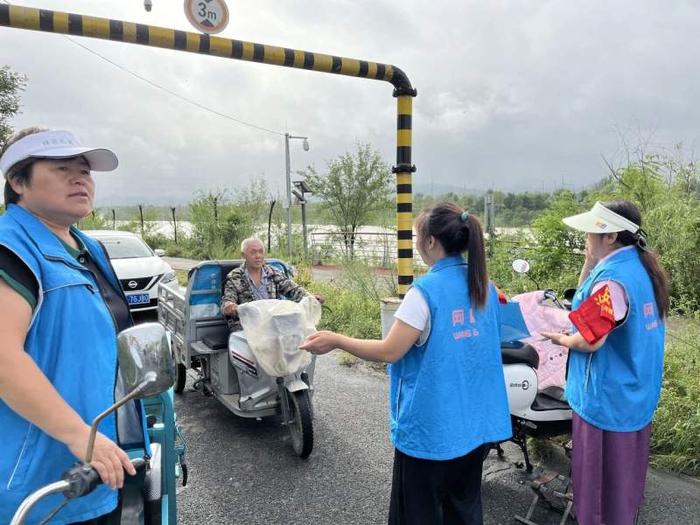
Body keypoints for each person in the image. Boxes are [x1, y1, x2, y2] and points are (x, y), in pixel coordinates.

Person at [300, 202, 512, 525]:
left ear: (430, 242)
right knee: (464, 510)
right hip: (475, 428)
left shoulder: (424, 292)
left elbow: (389, 351)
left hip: (432, 431)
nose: (415, 243)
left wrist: (337, 339)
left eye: (417, 236)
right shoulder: (485, 287)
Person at [0, 127, 148, 524]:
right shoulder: (11, 248)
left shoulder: (87, 248)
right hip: (42, 481)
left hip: (101, 463)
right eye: (62, 168)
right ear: (17, 181)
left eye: (85, 170)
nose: (80, 178)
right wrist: (78, 436)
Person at [541, 200, 669, 525]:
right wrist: (588, 260)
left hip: (607, 405)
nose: (585, 236)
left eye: (590, 231)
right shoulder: (637, 267)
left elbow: (590, 340)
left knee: (600, 497)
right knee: (623, 492)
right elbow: (587, 309)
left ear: (610, 236)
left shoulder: (613, 280)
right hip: (633, 397)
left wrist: (560, 339)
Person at [221, 237, 323, 331]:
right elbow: (228, 300)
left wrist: (310, 297)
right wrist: (229, 306)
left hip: (274, 321)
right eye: (253, 252)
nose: (258, 256)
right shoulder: (235, 277)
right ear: (243, 255)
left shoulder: (273, 273)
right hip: (248, 325)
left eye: (261, 252)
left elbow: (293, 289)